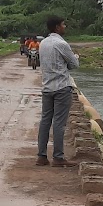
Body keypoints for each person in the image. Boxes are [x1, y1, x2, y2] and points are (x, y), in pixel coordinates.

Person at [35, 15, 79, 166]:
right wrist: (75, 58)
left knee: (45, 121)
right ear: (57, 27)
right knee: (59, 123)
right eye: (63, 24)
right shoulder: (62, 44)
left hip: (47, 87)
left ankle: (41, 156)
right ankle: (58, 157)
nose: (65, 27)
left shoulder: (43, 44)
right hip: (61, 87)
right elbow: (74, 64)